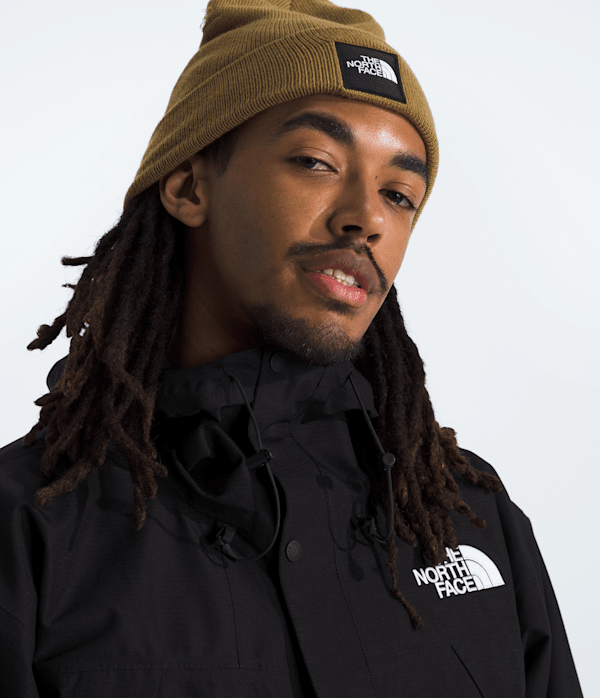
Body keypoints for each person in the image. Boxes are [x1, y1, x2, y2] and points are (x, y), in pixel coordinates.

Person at [0, 0, 583, 696]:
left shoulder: (469, 517)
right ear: (189, 186)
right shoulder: (27, 527)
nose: (366, 217)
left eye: (400, 194)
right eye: (316, 161)